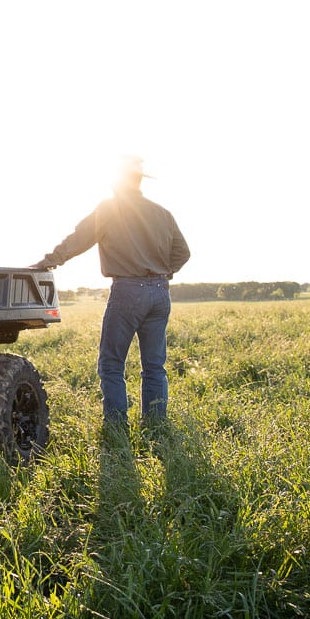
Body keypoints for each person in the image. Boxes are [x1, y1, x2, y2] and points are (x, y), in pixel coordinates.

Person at [32, 155, 190, 432]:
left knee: (112, 364)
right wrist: (164, 272)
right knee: (154, 366)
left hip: (128, 291)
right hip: (160, 293)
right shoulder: (162, 213)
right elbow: (183, 253)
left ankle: (117, 429)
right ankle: (155, 427)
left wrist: (48, 261)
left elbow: (78, 240)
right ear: (139, 181)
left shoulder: (109, 209)